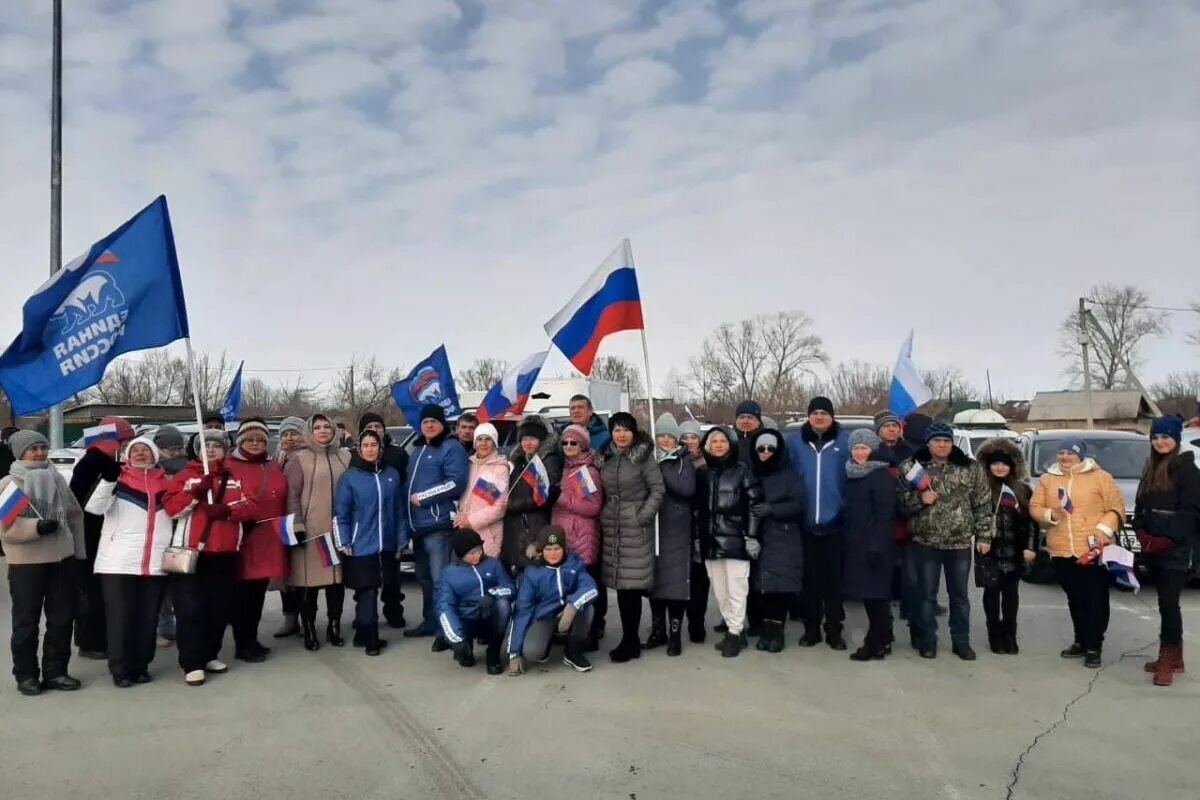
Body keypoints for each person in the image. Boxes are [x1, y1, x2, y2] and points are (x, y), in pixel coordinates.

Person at [163, 429, 258, 686]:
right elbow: (172, 508)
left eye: (218, 445)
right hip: (193, 554)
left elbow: (251, 505)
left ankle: (209, 654)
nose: (212, 450)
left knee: (219, 608)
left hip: (226, 553)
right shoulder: (186, 476)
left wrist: (227, 510)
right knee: (191, 610)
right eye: (207, 446)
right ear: (197, 451)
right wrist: (194, 494)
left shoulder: (235, 477)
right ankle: (192, 662)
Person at [899, 422, 993, 661]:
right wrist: (920, 499)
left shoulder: (970, 468)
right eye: (937, 441)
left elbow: (982, 503)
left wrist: (983, 535)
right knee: (926, 595)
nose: (942, 445)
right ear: (928, 443)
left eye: (947, 441)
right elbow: (899, 503)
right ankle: (928, 641)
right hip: (926, 542)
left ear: (952, 443)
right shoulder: (913, 468)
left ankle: (961, 642)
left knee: (959, 596)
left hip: (959, 543)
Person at [1, 431, 86, 696]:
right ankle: (26, 674)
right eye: (33, 449)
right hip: (27, 562)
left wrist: (78, 553)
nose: (39, 453)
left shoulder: (57, 478)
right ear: (20, 452)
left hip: (62, 559)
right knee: (26, 621)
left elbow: (74, 515)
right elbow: (6, 526)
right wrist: (36, 527)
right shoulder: (11, 482)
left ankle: (56, 671)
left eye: (43, 447)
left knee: (61, 619)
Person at [86, 436, 173, 686]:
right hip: (118, 562)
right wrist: (108, 481)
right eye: (135, 450)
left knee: (148, 618)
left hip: (155, 562)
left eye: (146, 449)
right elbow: (94, 508)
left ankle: (141, 665)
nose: (140, 453)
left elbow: (179, 511)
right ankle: (121, 669)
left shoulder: (166, 483)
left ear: (155, 456)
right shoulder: (117, 479)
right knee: (121, 618)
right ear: (126, 455)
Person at [1031, 438, 1125, 668]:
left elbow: (1116, 507)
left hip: (1093, 549)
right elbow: (1035, 507)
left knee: (1095, 599)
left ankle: (1095, 646)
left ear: (1080, 455)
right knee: (1076, 598)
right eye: (1061, 453)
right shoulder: (1048, 479)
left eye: (1070, 453)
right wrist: (1051, 515)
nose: (1065, 457)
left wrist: (1103, 530)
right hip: (1062, 550)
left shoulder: (1101, 477)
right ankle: (1081, 640)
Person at [1134, 417, 1199, 686]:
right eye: (1156, 437)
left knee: (1169, 604)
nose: (1160, 442)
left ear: (1176, 440)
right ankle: (1176, 657)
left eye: (1166, 437)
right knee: (1164, 602)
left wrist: (1167, 538)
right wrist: (1142, 532)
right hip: (1153, 546)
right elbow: (1141, 506)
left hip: (1177, 549)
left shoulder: (1188, 471)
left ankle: (1169, 660)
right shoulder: (1151, 467)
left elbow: (1192, 513)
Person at [595, 412, 665, 663]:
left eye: (626, 429)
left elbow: (657, 489)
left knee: (630, 587)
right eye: (616, 430)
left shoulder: (643, 457)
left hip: (635, 526)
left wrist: (642, 516)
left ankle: (631, 640)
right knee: (619, 583)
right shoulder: (605, 456)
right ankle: (628, 638)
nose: (621, 434)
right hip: (611, 525)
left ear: (634, 433)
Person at [69, 415, 135, 660]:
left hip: (97, 536)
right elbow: (84, 501)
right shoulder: (95, 462)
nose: (127, 446)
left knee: (96, 590)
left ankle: (96, 639)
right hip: (90, 537)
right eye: (125, 440)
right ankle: (92, 642)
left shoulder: (100, 460)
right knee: (92, 591)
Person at [334, 429, 404, 657]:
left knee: (382, 587)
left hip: (388, 543)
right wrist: (344, 540)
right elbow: (341, 514)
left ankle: (362, 635)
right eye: (365, 445)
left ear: (380, 449)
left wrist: (402, 538)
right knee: (368, 591)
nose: (370, 449)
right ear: (359, 448)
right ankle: (371, 639)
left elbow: (399, 510)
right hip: (361, 543)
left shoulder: (391, 475)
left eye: (374, 445)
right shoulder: (350, 478)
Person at [787, 396, 850, 650]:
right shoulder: (796, 444)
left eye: (824, 412)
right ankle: (811, 629)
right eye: (815, 413)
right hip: (805, 524)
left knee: (834, 584)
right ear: (808, 416)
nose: (819, 417)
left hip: (835, 523)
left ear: (832, 416)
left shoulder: (845, 443)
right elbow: (788, 477)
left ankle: (834, 631)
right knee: (809, 583)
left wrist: (845, 510)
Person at [402, 404, 469, 640]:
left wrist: (425, 498)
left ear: (443, 424)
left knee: (441, 579)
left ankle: (447, 628)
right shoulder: (418, 451)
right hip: (417, 528)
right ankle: (430, 621)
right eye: (425, 422)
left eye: (434, 421)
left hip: (438, 525)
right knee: (425, 579)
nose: (429, 425)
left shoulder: (451, 448)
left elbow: (456, 482)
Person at [225, 419, 290, 663]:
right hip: (242, 538)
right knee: (241, 596)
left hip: (267, 539)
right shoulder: (228, 466)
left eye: (260, 440)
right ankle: (243, 644)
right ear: (240, 441)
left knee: (257, 594)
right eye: (250, 439)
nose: (255, 444)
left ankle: (251, 639)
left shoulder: (272, 466)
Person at [285, 414, 350, 651]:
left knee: (336, 582)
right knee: (308, 584)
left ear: (334, 430)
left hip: (338, 532)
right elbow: (291, 495)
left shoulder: (345, 456)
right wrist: (297, 527)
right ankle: (309, 628)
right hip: (312, 533)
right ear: (310, 431)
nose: (322, 431)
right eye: (317, 427)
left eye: (326, 427)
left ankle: (334, 625)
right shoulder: (300, 459)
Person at [696, 427, 763, 658]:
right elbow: (698, 511)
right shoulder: (704, 473)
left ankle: (735, 632)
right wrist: (697, 538)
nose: (718, 444)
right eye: (713, 441)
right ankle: (734, 628)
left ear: (731, 444)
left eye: (722, 440)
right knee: (720, 590)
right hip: (710, 542)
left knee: (736, 589)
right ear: (708, 446)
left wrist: (752, 536)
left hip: (736, 540)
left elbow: (755, 504)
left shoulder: (742, 471)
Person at [507, 526, 599, 675]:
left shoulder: (574, 563)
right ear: (540, 550)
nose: (553, 553)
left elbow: (590, 587)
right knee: (532, 652)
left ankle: (572, 652)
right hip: (545, 616)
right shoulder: (532, 573)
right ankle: (548, 640)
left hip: (570, 612)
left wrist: (573, 605)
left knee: (588, 608)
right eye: (548, 549)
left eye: (557, 548)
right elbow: (522, 611)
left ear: (564, 548)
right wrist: (514, 652)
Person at [975, 439, 1038, 655]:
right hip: (989, 551)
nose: (1000, 467)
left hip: (1015, 551)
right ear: (988, 466)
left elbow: (1032, 522)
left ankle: (1009, 634)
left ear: (1011, 466)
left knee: (1011, 594)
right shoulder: (981, 489)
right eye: (995, 463)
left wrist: (1030, 547)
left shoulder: (1022, 490)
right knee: (991, 593)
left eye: (1004, 464)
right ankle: (994, 634)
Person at [842, 429, 898, 661]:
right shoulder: (853, 474)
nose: (860, 452)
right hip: (857, 544)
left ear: (873, 449)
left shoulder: (880, 474)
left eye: (864, 448)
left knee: (876, 597)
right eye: (856, 448)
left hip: (875, 546)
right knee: (870, 597)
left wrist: (876, 545)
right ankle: (884, 638)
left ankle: (873, 644)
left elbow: (885, 515)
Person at [749, 429, 805, 654]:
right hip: (756, 537)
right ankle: (764, 628)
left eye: (770, 448)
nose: (765, 452)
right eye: (761, 448)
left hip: (783, 535)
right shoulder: (750, 472)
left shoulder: (789, 475)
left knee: (780, 587)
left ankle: (777, 630)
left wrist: (774, 509)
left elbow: (800, 504)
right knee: (761, 588)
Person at [550, 423, 606, 649]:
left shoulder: (584, 470)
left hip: (581, 537)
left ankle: (590, 634)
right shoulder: (567, 467)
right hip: (565, 536)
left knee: (586, 588)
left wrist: (560, 497)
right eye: (565, 442)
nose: (569, 446)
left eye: (574, 442)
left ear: (583, 445)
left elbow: (592, 507)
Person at [645, 414, 697, 657]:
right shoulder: (648, 459)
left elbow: (686, 488)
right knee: (655, 585)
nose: (665, 440)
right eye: (661, 436)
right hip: (654, 528)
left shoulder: (683, 460)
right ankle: (658, 630)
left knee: (675, 585)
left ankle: (675, 634)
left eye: (669, 436)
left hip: (676, 529)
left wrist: (663, 469)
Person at [436, 530, 515, 674]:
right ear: (461, 554)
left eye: (479, 550)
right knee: (465, 659)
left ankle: (493, 652)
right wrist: (456, 638)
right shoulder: (449, 573)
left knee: (504, 606)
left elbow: (510, 588)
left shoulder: (493, 564)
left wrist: (492, 594)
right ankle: (465, 649)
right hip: (466, 619)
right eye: (471, 553)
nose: (477, 555)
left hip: (489, 614)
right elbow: (445, 606)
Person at [357, 412, 408, 629]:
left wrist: (402, 533)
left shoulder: (398, 454)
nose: (375, 429)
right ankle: (365, 616)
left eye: (379, 425)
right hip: (366, 529)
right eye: (370, 426)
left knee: (392, 577)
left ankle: (393, 611)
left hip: (390, 526)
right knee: (365, 579)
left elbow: (404, 489)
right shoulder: (355, 457)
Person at [501, 415, 563, 574]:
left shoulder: (548, 461)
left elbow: (544, 496)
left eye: (532, 439)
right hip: (513, 527)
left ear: (541, 441)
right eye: (524, 439)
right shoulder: (516, 461)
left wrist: (511, 505)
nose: (527, 443)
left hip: (534, 525)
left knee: (532, 572)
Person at [152, 425, 189, 648]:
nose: (173, 453)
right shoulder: (151, 469)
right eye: (167, 448)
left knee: (179, 584)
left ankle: (174, 625)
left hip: (181, 532)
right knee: (159, 586)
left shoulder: (187, 469)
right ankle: (161, 626)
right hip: (159, 532)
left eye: (176, 448)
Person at [272, 416, 307, 638]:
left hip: (300, 519)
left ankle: (305, 617)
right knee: (285, 574)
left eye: (293, 433)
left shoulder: (306, 457)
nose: (289, 438)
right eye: (285, 434)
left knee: (301, 572)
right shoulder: (277, 457)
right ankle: (289, 618)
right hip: (279, 521)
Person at [455, 423, 511, 559]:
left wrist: (471, 520)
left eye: (488, 439)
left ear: (494, 443)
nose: (483, 443)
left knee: (486, 572)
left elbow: (498, 508)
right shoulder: (468, 465)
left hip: (488, 534)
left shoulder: (499, 469)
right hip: (465, 530)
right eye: (480, 439)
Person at [679, 419, 709, 643]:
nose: (689, 442)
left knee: (699, 578)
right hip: (679, 526)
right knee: (682, 577)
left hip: (700, 526)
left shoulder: (707, 464)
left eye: (693, 437)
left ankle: (697, 622)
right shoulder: (674, 462)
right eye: (685, 438)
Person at [733, 400, 764, 466]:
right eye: (741, 417)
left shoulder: (769, 441)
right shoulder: (726, 441)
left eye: (750, 417)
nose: (745, 421)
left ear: (758, 421)